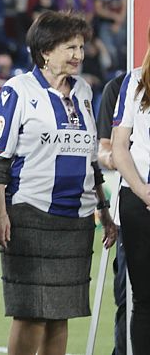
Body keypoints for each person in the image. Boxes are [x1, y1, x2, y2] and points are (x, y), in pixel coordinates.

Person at [0, 11, 117, 355]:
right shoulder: (17, 90)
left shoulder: (86, 92)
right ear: (45, 50)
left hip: (76, 221)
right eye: (69, 47)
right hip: (30, 217)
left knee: (61, 314)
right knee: (32, 314)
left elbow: (92, 160)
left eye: (80, 47)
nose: (78, 54)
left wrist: (103, 211)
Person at [112, 36, 150, 353]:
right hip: (139, 202)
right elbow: (119, 146)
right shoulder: (136, 80)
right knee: (145, 299)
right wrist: (143, 191)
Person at [97, 71, 127, 355]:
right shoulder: (119, 87)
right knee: (128, 297)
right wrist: (117, 158)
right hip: (131, 208)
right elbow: (102, 148)